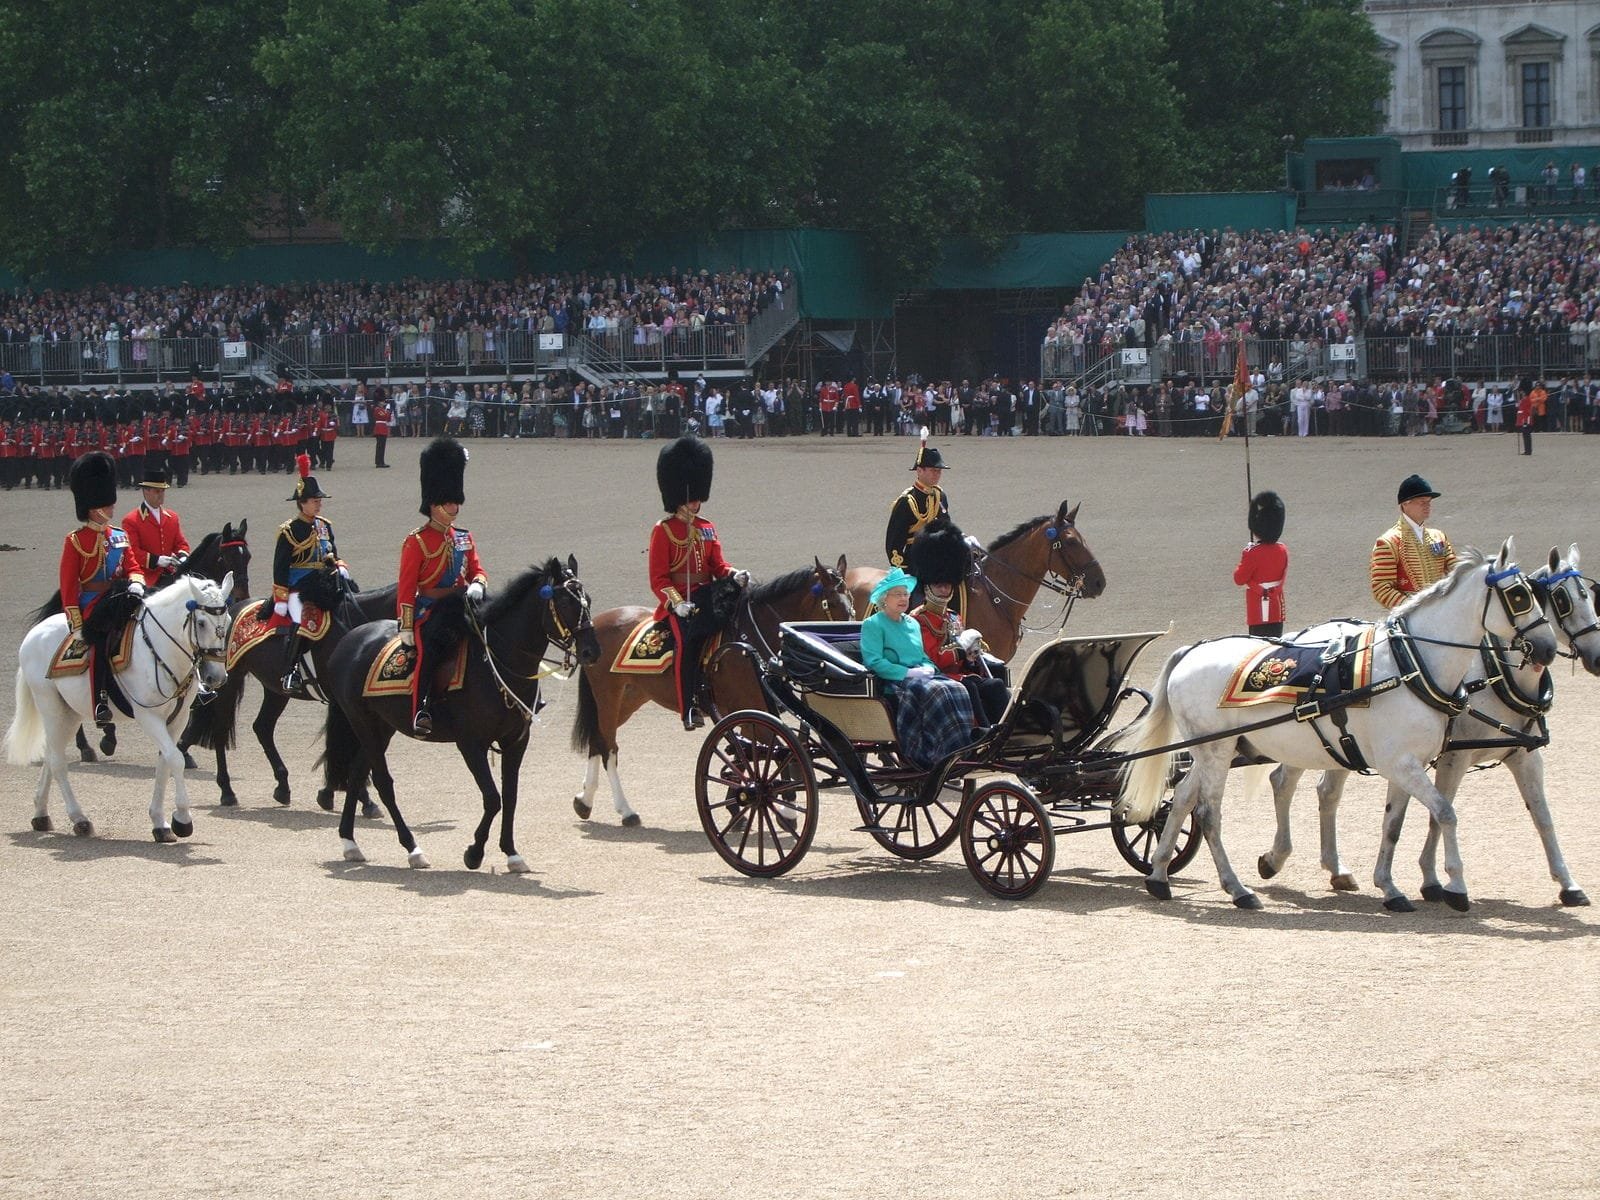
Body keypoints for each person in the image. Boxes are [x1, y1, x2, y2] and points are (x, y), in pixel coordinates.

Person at [649, 436, 749, 730]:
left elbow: (716, 565)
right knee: (688, 642)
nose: (695, 501)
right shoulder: (664, 531)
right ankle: (688, 706)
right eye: (691, 496)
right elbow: (659, 578)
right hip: (680, 601)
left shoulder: (706, 527)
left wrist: (732, 574)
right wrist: (676, 604)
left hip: (708, 594)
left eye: (697, 496)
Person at [397, 438, 487, 736]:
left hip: (464, 602)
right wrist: (407, 626)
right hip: (431, 608)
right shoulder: (417, 541)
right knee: (431, 649)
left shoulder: (463, 536)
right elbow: (407, 587)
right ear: (434, 504)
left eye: (456, 501)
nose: (455, 505)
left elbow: (478, 570)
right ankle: (421, 707)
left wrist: (477, 584)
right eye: (449, 501)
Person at [860, 568, 981, 767]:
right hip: (894, 682)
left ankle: (959, 745)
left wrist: (929, 668)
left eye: (906, 594)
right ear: (884, 598)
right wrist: (906, 673)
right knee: (939, 691)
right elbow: (873, 661)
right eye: (897, 594)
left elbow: (922, 655)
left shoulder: (911, 624)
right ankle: (939, 750)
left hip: (921, 677)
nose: (904, 598)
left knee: (958, 688)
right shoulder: (873, 624)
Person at [61, 451, 148, 726]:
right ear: (92, 507)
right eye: (107, 505)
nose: (112, 508)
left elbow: (134, 565)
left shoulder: (119, 536)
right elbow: (67, 584)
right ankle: (99, 699)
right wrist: (76, 620)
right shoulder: (75, 541)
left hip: (122, 595)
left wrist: (136, 582)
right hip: (93, 601)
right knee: (99, 639)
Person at [906, 523, 1009, 724]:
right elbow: (933, 659)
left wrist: (971, 656)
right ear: (927, 587)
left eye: (947, 585)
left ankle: (1009, 728)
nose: (944, 590)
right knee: (969, 686)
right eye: (939, 585)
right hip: (937, 680)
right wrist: (961, 650)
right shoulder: (919, 618)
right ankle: (985, 732)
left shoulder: (953, 616)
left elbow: (962, 662)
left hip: (960, 676)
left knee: (995, 683)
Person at [272, 454, 346, 693]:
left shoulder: (324, 525)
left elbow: (332, 552)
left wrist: (340, 565)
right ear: (302, 502)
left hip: (324, 581)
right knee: (300, 619)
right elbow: (280, 566)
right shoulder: (289, 530)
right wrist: (282, 598)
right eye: (314, 500)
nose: (319, 504)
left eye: (319, 500)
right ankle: (290, 671)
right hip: (298, 588)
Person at [1370, 474, 1456, 610]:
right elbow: (1381, 588)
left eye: (1429, 502)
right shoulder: (1388, 542)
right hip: (1409, 618)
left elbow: (1456, 571)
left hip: (1440, 611)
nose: (1428, 506)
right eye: (1422, 502)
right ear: (1405, 503)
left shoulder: (1439, 537)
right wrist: (1413, 608)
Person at [121, 466, 190, 588]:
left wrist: (183, 557)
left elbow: (181, 543)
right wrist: (156, 560)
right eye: (157, 491)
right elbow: (132, 552)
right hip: (146, 576)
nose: (161, 495)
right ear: (146, 491)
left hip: (171, 573)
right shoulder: (131, 520)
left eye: (162, 491)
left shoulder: (172, 517)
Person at [1234, 491, 1288, 637]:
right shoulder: (1282, 549)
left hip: (1257, 612)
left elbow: (1239, 579)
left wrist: (1248, 551)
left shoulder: (1252, 553)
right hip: (1276, 609)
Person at [372, 397, 391, 467]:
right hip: (379, 428)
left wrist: (387, 411)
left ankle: (381, 461)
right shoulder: (377, 409)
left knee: (382, 446)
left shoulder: (383, 409)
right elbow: (384, 416)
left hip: (383, 427)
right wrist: (387, 411)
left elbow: (388, 419)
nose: (384, 403)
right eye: (382, 401)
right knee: (380, 446)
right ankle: (378, 462)